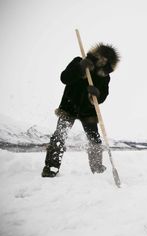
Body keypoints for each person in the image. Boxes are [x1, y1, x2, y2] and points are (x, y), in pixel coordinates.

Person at [41, 43, 120, 177]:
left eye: (106, 60)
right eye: (102, 57)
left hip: (88, 111)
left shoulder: (105, 76)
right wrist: (79, 69)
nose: (103, 61)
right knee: (59, 136)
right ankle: (51, 167)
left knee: (94, 140)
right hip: (69, 107)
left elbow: (104, 95)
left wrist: (97, 94)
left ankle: (97, 168)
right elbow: (64, 78)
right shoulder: (79, 61)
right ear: (97, 55)